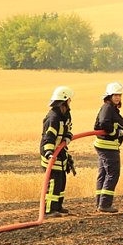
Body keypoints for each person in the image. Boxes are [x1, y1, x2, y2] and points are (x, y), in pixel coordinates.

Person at [93, 81, 123, 213]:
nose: (118, 97)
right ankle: (105, 204)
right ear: (109, 96)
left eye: (119, 95)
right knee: (113, 173)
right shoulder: (107, 108)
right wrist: (120, 133)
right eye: (115, 95)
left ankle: (100, 203)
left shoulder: (111, 108)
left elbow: (115, 127)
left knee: (104, 174)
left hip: (106, 145)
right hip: (108, 147)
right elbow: (104, 124)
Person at [40, 86, 74, 217]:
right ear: (64, 101)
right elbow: (48, 138)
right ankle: (49, 210)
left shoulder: (65, 114)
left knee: (61, 180)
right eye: (69, 100)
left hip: (60, 152)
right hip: (50, 154)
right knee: (54, 182)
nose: (70, 102)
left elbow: (68, 128)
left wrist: (68, 136)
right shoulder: (53, 118)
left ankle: (58, 206)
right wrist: (49, 153)